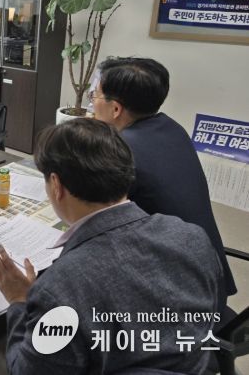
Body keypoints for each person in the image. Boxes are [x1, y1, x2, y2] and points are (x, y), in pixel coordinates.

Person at [0, 119, 222, 375]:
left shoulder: (60, 288)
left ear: (56, 186)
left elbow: (28, 371)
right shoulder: (193, 238)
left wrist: (19, 300)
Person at [90, 57, 236, 309]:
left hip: (176, 296)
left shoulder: (121, 151)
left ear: (116, 109)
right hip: (210, 277)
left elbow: (92, 217)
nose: (92, 102)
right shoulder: (171, 128)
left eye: (95, 95)